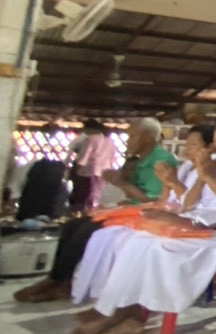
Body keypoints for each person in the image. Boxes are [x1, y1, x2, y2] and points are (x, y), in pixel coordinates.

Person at [72, 112, 216, 334]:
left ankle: (135, 317)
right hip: (202, 220)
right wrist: (187, 198)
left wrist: (208, 177)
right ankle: (119, 308)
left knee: (158, 247)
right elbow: (193, 202)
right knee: (135, 240)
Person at [15, 118, 178, 303]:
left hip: (149, 216)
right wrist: (122, 194)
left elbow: (154, 200)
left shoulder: (161, 161)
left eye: (132, 135)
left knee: (88, 228)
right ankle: (61, 281)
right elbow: (136, 196)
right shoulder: (142, 161)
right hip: (132, 211)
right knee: (72, 225)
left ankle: (56, 280)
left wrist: (120, 183)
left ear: (148, 137)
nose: (128, 141)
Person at [67, 119, 117, 210]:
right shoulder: (110, 142)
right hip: (104, 173)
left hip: (88, 172)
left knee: (83, 197)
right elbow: (112, 159)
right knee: (96, 196)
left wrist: (75, 169)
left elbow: (84, 157)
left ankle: (80, 214)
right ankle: (92, 212)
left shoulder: (91, 139)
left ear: (90, 129)